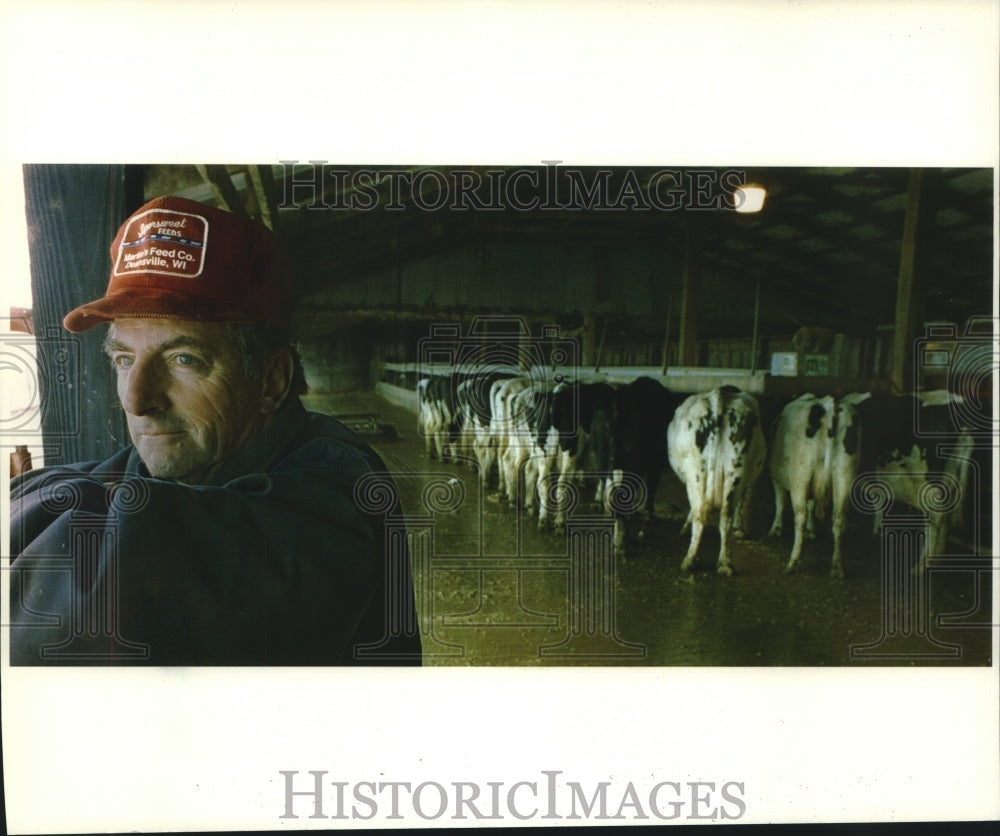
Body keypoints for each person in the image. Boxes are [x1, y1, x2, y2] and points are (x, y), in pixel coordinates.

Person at [9, 195, 422, 665]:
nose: (136, 398)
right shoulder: (197, 456)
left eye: (184, 359)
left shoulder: (338, 487)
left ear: (270, 381)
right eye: (124, 359)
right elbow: (96, 489)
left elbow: (112, 567)